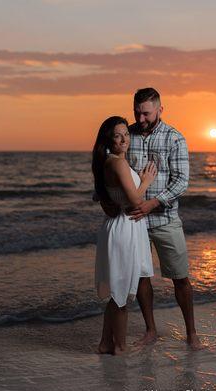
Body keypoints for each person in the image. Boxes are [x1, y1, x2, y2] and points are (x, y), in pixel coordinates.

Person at [101, 88, 203, 350]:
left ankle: (191, 333)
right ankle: (150, 330)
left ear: (160, 109)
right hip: (134, 223)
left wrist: (153, 203)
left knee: (180, 277)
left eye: (146, 112)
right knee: (142, 278)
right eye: (137, 111)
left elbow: (181, 181)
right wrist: (104, 199)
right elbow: (111, 168)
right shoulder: (126, 135)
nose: (140, 117)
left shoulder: (174, 139)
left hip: (165, 219)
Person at [92, 116, 157, 355]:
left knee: (119, 289)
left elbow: (106, 197)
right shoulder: (117, 163)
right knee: (121, 292)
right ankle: (119, 347)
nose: (124, 140)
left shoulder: (111, 162)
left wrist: (134, 180)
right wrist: (146, 180)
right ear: (108, 139)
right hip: (124, 228)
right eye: (118, 136)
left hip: (124, 225)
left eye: (126, 134)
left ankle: (106, 343)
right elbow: (136, 200)